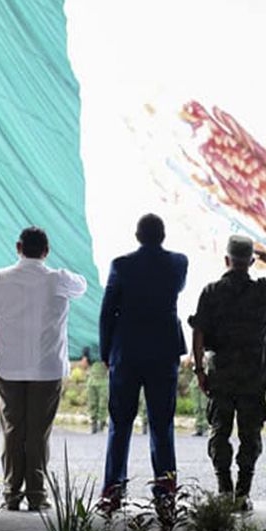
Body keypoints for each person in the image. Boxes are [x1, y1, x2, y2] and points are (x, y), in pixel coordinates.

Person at [0, 226, 88, 511]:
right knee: (38, 435)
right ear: (46, 251)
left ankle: (11, 494)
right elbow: (82, 285)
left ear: (18, 247)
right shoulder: (59, 280)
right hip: (47, 372)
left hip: (8, 371)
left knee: (13, 433)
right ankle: (37, 496)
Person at [189, 237, 266, 511]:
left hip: (221, 374)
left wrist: (199, 369)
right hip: (254, 375)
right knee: (250, 435)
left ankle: (224, 489)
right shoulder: (262, 291)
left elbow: (198, 330)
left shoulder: (211, 291)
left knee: (220, 431)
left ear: (226, 260)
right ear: (251, 262)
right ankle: (243, 493)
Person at [98, 214, 188, 511]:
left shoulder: (121, 265)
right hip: (163, 352)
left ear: (137, 235)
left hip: (127, 352)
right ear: (163, 235)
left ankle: (113, 491)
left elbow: (108, 310)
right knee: (162, 424)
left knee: (120, 423)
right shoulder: (178, 263)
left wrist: (106, 352)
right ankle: (165, 492)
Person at [83, 346, 108, 434]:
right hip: (92, 380)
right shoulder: (90, 349)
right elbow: (84, 365)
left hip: (103, 380)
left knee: (103, 404)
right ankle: (93, 424)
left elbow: (109, 365)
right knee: (92, 403)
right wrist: (85, 355)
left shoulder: (107, 349)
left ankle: (101, 425)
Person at [180, 356, 208, 437]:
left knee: (203, 405)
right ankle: (198, 427)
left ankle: (205, 427)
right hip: (196, 373)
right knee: (197, 405)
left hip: (204, 371)